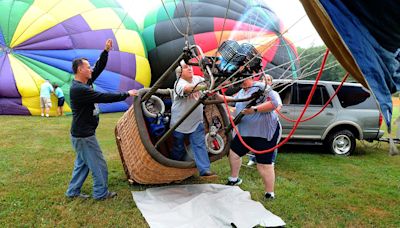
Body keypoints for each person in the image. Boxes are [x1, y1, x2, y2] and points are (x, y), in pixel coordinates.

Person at [65, 39, 138, 200]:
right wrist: (127, 94)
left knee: (82, 164)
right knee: (98, 164)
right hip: (84, 136)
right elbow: (103, 97)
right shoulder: (79, 89)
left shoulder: (85, 82)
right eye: (87, 66)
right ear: (79, 69)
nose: (90, 69)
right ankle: (100, 193)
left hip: (81, 134)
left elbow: (99, 67)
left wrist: (105, 51)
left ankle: (73, 191)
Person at [218, 74, 282, 200]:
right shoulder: (242, 91)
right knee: (234, 153)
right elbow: (232, 99)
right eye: (237, 79)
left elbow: (274, 103)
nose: (239, 81)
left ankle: (269, 193)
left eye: (241, 78)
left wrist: (255, 109)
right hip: (245, 132)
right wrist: (215, 95)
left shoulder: (262, 88)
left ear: (251, 77)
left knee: (264, 164)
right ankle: (234, 179)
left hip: (263, 133)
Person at [170, 60, 216, 177]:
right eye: (186, 68)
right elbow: (187, 89)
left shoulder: (198, 79)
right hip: (179, 123)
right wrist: (205, 86)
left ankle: (204, 170)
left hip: (196, 121)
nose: (190, 68)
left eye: (190, 66)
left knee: (199, 144)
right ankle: (173, 166)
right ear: (180, 73)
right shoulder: (178, 83)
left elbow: (210, 81)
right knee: (178, 147)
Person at [247, 74, 282, 166]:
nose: (266, 81)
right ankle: (252, 159)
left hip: (270, 122)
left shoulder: (274, 94)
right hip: (257, 121)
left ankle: (271, 160)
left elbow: (278, 106)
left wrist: (272, 117)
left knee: (272, 142)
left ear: (271, 82)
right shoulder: (256, 93)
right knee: (254, 140)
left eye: (268, 80)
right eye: (264, 79)